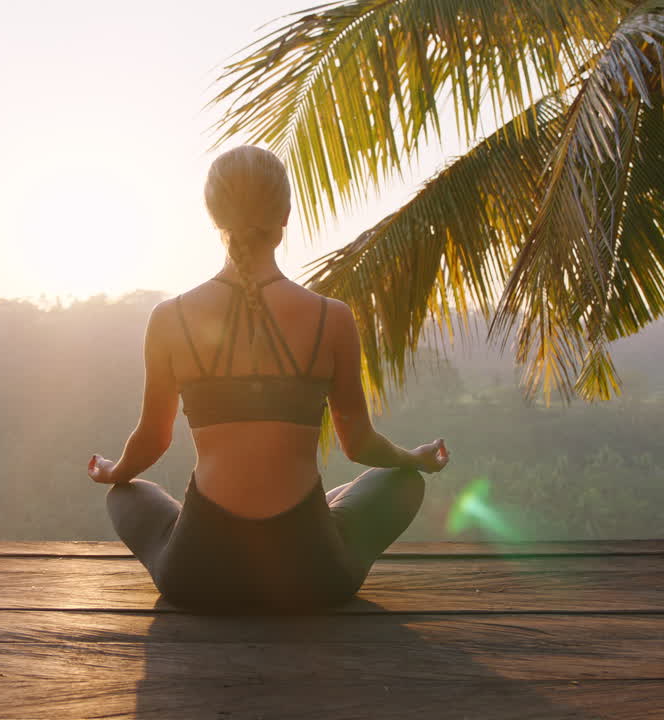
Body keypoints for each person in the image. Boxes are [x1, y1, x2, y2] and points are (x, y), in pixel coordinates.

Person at [88, 145, 449, 613]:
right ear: (285, 216)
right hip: (312, 575)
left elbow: (153, 440)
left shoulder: (169, 318)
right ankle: (329, 515)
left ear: (214, 217)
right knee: (403, 482)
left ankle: (183, 526)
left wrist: (114, 470)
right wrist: (413, 457)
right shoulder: (331, 318)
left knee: (129, 494)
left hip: (199, 575)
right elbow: (359, 445)